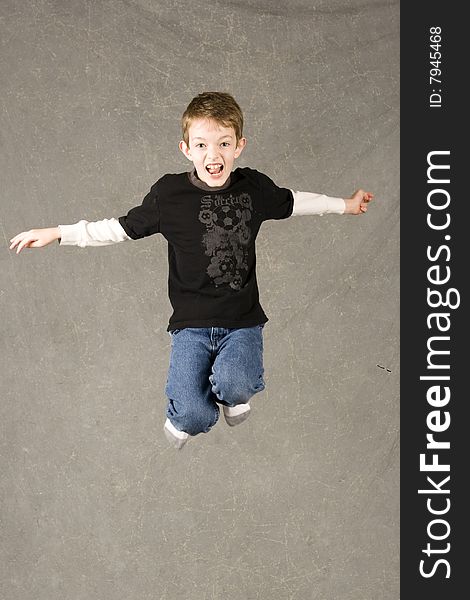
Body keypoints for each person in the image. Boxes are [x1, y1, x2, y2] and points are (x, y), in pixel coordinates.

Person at [10, 91, 374, 449]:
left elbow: (296, 202)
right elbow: (118, 229)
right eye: (201, 145)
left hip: (242, 322)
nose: (212, 155)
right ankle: (188, 415)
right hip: (191, 328)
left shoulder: (253, 189)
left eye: (223, 144)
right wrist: (59, 234)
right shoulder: (169, 196)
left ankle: (233, 395)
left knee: (237, 382)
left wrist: (346, 205)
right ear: (186, 149)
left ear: (239, 146)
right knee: (192, 417)